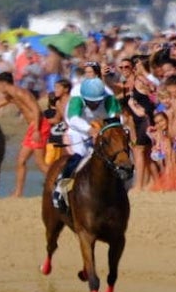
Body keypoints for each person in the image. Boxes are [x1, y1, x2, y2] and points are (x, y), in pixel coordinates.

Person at [51, 77, 123, 211]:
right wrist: (90, 130)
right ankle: (60, 190)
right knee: (79, 157)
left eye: (97, 102)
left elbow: (116, 119)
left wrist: (104, 132)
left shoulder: (108, 97)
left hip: (102, 126)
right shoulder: (77, 96)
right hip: (79, 129)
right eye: (90, 102)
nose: (94, 105)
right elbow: (73, 119)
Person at [0, 71, 48, 198]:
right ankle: (18, 193)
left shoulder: (20, 92)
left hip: (39, 126)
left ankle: (60, 181)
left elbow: (36, 109)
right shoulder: (11, 96)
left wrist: (36, 130)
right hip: (33, 127)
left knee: (40, 163)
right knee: (21, 161)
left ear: (3, 84)